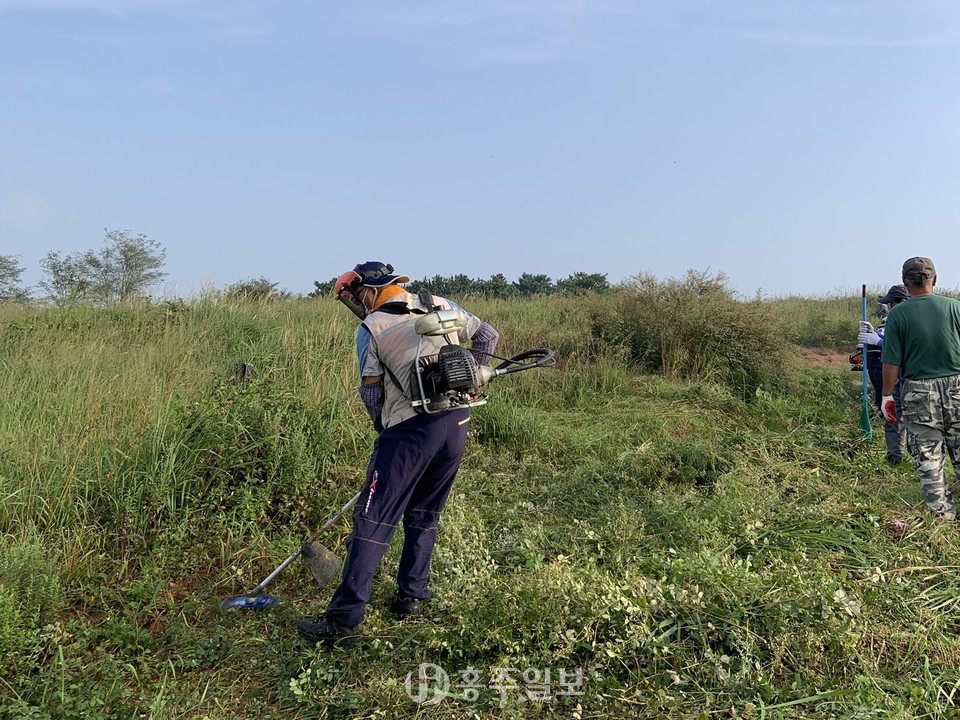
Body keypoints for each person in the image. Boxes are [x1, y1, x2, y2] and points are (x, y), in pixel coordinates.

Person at [298, 261, 500, 646]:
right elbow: (488, 335)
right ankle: (412, 598)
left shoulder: (370, 328)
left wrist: (383, 427)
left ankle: (344, 621)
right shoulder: (438, 302)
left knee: (374, 520)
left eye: (357, 298)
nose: (358, 305)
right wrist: (475, 377)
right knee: (424, 513)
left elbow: (370, 391)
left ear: (369, 292)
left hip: (409, 432)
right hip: (456, 423)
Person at [880, 257, 960, 521]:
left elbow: (891, 361)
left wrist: (887, 395)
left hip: (918, 393)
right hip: (958, 386)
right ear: (934, 280)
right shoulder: (955, 308)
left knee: (929, 458)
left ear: (905, 283)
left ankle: (943, 519)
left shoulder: (897, 314)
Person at [858, 284, 910, 464]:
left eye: (893, 303)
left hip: (914, 380)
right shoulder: (895, 318)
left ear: (902, 301)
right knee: (893, 418)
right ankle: (895, 458)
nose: (890, 307)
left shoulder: (911, 319)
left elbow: (903, 347)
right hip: (898, 378)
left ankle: (922, 460)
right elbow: (892, 341)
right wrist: (875, 335)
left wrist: (879, 342)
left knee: (917, 422)